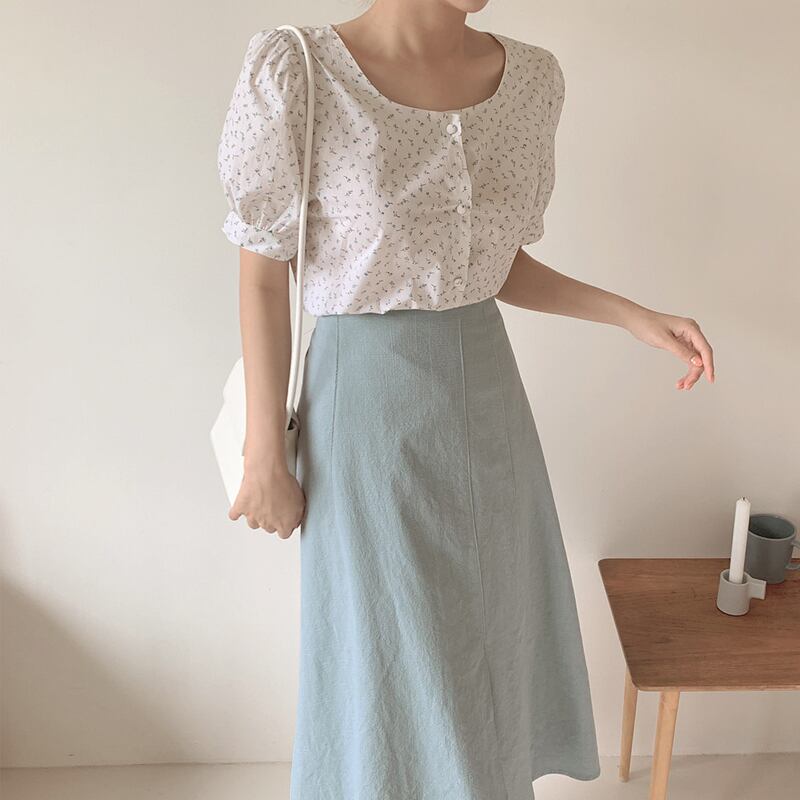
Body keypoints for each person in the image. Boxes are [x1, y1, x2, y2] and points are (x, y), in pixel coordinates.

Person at [216, 2, 715, 798]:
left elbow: (491, 261)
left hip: (486, 394)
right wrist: (263, 453)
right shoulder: (299, 70)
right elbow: (263, 275)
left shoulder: (531, 80)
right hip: (368, 406)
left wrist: (631, 316)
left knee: (489, 637)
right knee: (396, 650)